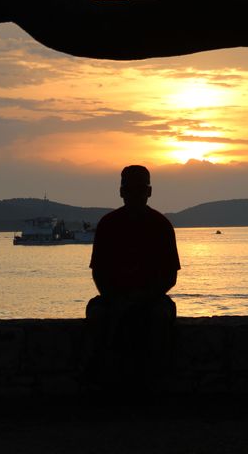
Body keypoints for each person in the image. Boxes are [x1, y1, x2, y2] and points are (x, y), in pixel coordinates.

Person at [85, 165, 180, 387]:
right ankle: (99, 381)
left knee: (159, 319)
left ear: (149, 192)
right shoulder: (108, 225)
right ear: (121, 192)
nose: (135, 195)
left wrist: (141, 299)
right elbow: (98, 272)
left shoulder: (162, 226)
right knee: (98, 318)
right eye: (130, 190)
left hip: (153, 299)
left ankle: (155, 383)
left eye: (140, 190)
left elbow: (170, 277)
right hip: (112, 298)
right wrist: (115, 299)